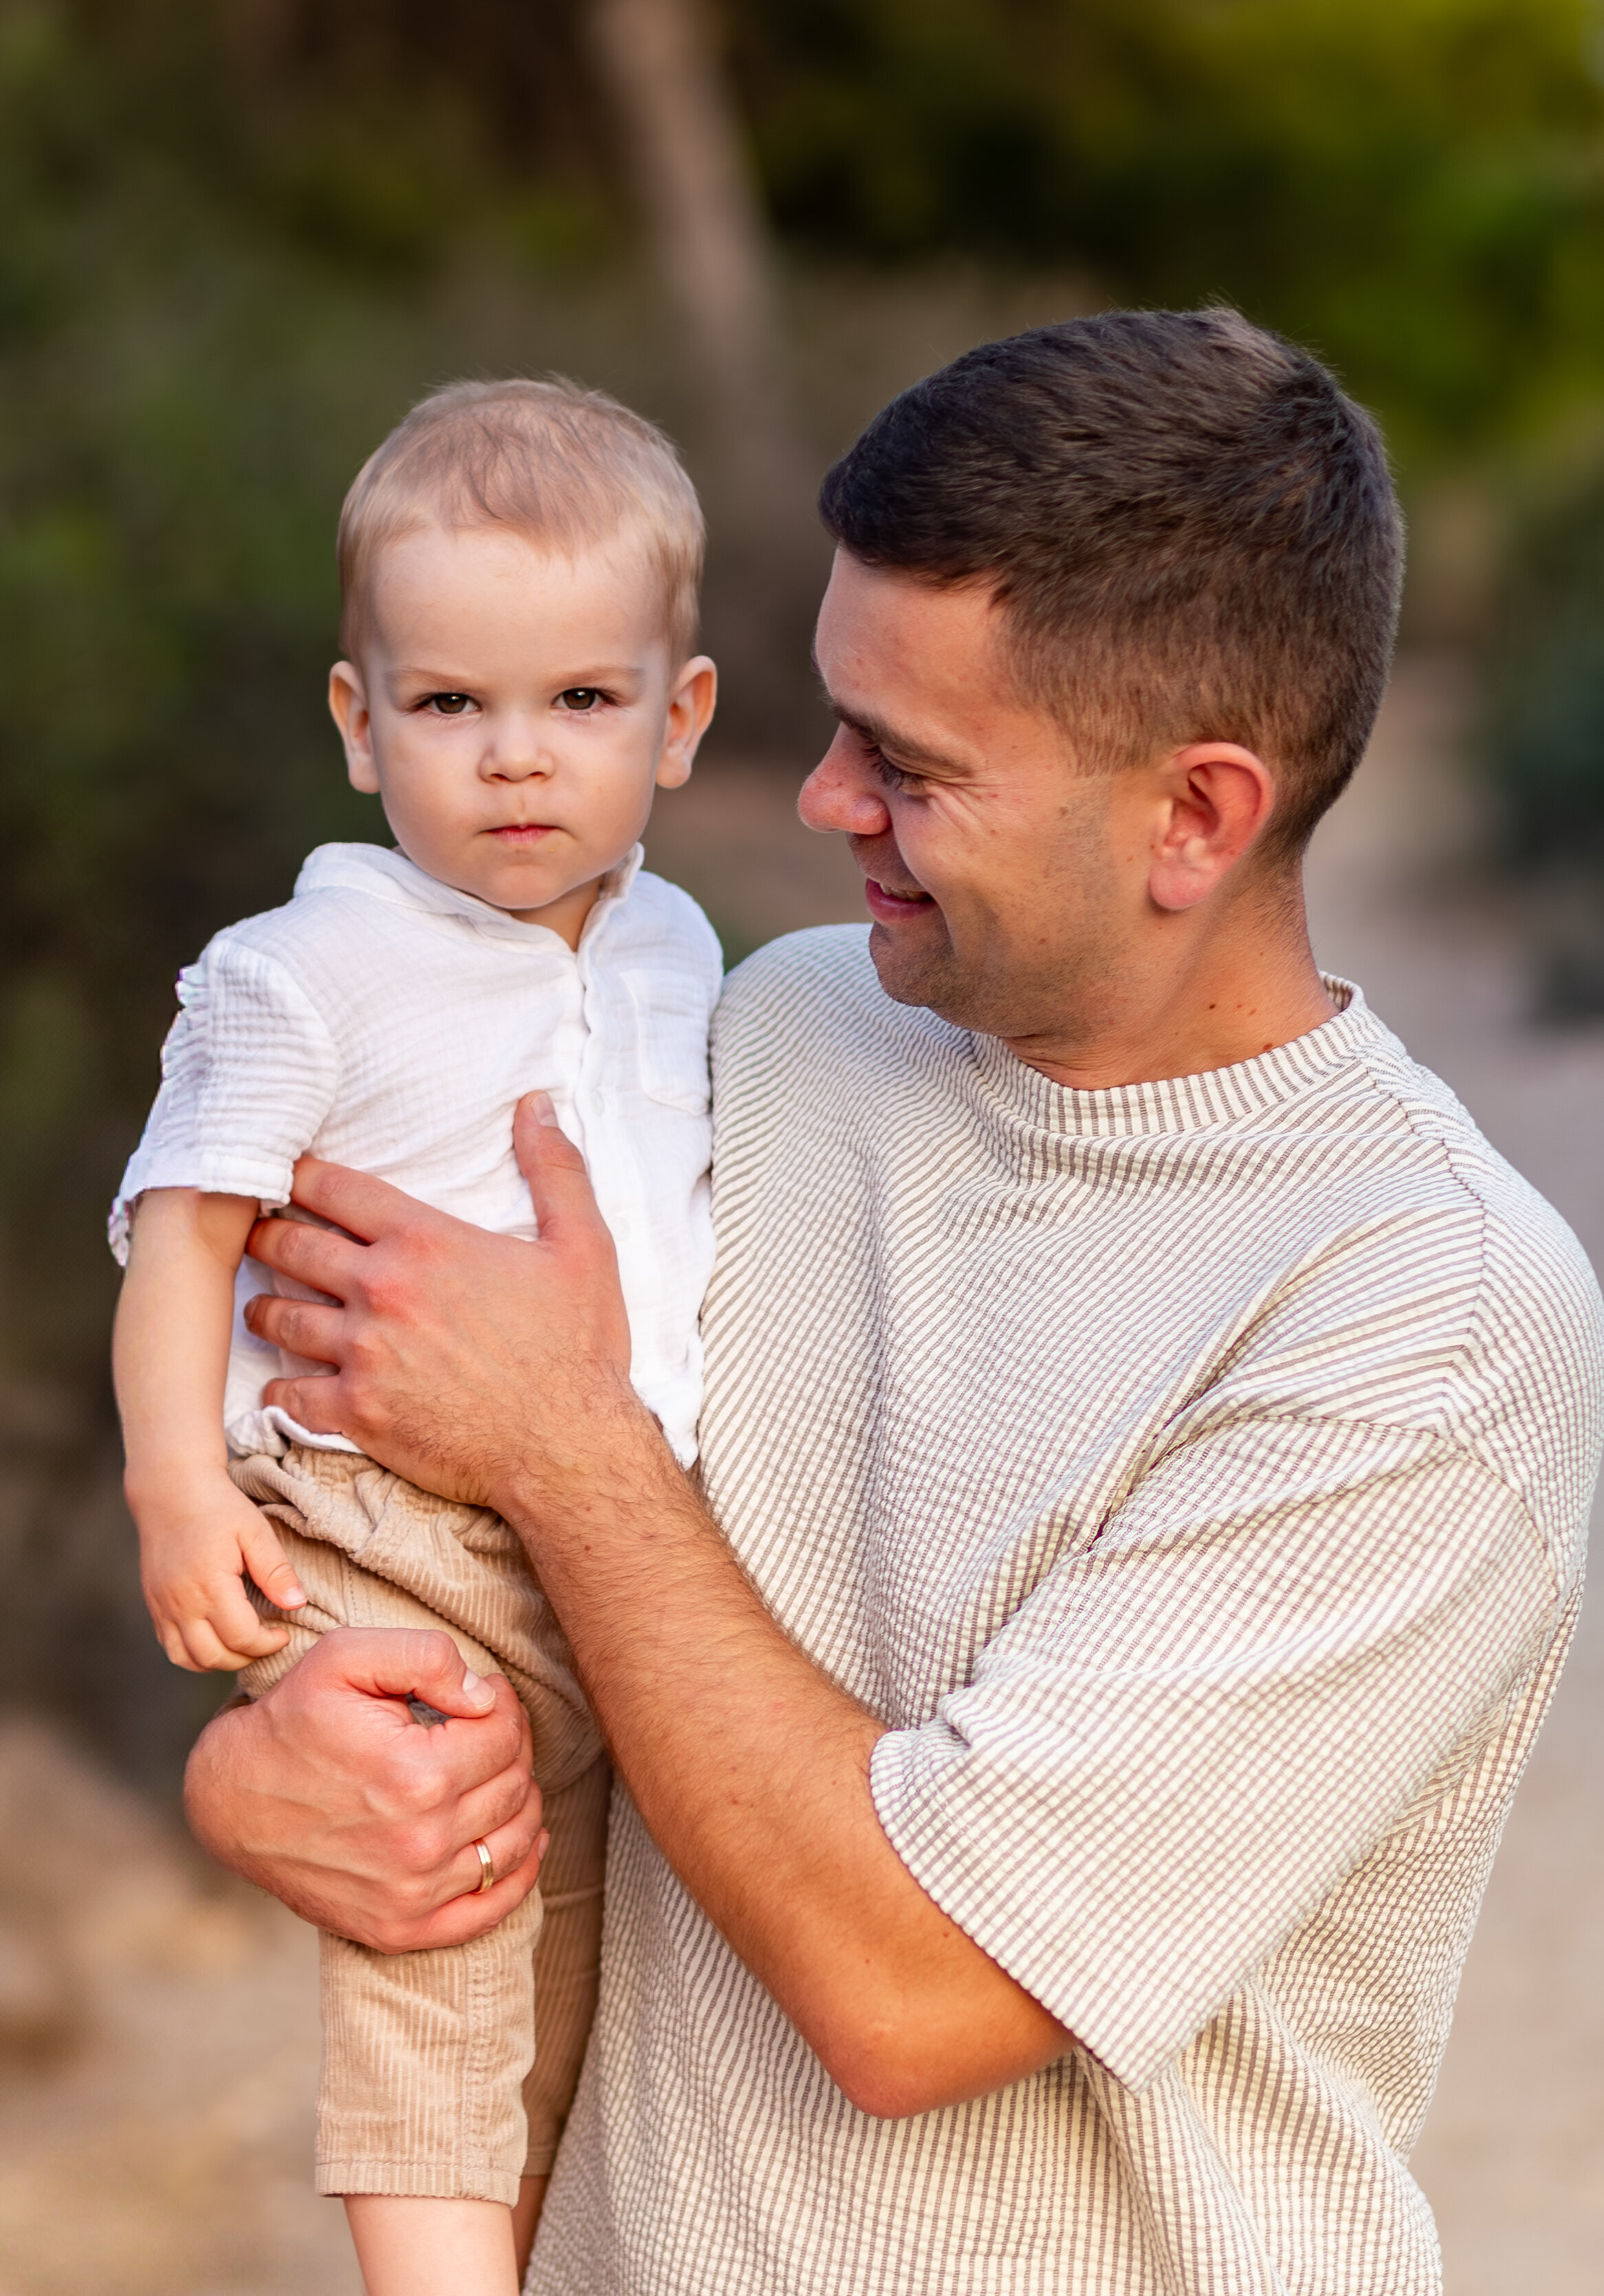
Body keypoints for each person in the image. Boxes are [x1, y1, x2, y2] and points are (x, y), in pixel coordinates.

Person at [184, 311, 1601, 2296]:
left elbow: (915, 1987)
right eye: (836, 718)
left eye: (911, 764)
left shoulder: (1424, 1316)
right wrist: (283, 1745)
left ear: (1197, 815)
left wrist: (564, 1442)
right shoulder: (769, 1031)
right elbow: (430, 1519)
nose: (826, 798)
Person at [110, 377, 720, 2296]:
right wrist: (175, 1487)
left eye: (583, 702)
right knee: (438, 1915)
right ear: (360, 724)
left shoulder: (682, 955)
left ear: (679, 718)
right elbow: (181, 1233)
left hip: (615, 1542)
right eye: (451, 705)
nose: (516, 759)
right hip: (383, 1526)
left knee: (582, 1979)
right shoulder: (303, 968)